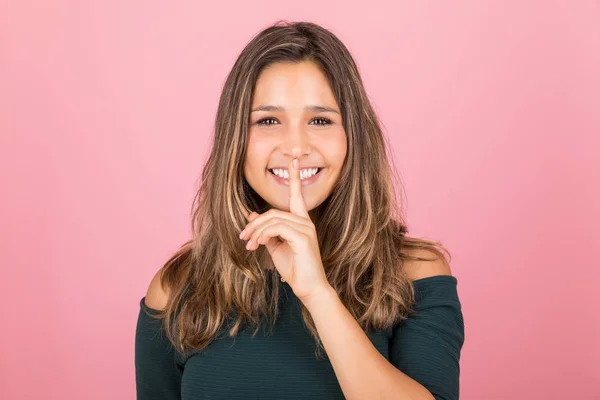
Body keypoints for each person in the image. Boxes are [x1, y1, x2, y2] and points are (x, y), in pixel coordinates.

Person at [135, 20, 465, 400]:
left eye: (320, 120)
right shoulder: (176, 289)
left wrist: (317, 294)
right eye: (268, 120)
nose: (295, 145)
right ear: (235, 140)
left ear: (353, 138)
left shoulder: (415, 273)